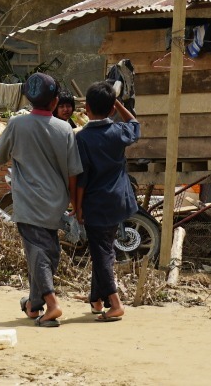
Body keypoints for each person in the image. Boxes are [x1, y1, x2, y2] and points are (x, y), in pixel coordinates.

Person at [0, 72, 82, 327]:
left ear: (30, 101)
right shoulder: (64, 128)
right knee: (47, 251)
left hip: (28, 201)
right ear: (54, 102)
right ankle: (34, 305)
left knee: (38, 252)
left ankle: (52, 305)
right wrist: (75, 205)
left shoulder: (17, 125)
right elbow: (74, 172)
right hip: (56, 201)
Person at [72, 82, 141, 322]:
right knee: (104, 248)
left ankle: (115, 303)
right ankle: (97, 300)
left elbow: (82, 178)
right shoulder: (119, 132)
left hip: (96, 203)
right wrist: (118, 104)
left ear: (87, 108)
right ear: (112, 109)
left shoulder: (83, 139)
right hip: (119, 201)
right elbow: (135, 124)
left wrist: (77, 207)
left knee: (102, 253)